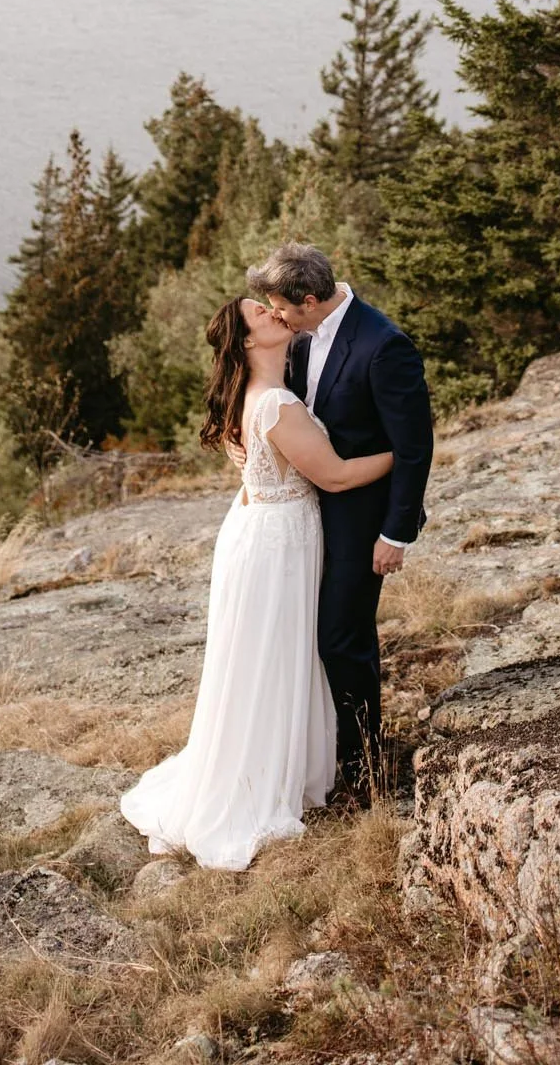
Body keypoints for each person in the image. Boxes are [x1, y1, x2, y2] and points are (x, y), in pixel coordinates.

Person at [119, 293, 395, 871]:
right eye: (260, 314)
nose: (275, 313)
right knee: (275, 656)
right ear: (248, 342)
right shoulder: (273, 405)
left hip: (252, 528)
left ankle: (268, 759)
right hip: (279, 541)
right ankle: (267, 777)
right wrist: (403, 454)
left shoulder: (245, 397)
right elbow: (339, 477)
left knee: (260, 658)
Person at [244, 243, 433, 791]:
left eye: (281, 306)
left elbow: (414, 447)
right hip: (306, 520)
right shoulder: (301, 337)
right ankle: (324, 754)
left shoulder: (383, 345)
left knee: (342, 639)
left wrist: (396, 532)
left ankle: (364, 769)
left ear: (308, 299)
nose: (275, 315)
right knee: (312, 637)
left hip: (361, 522)